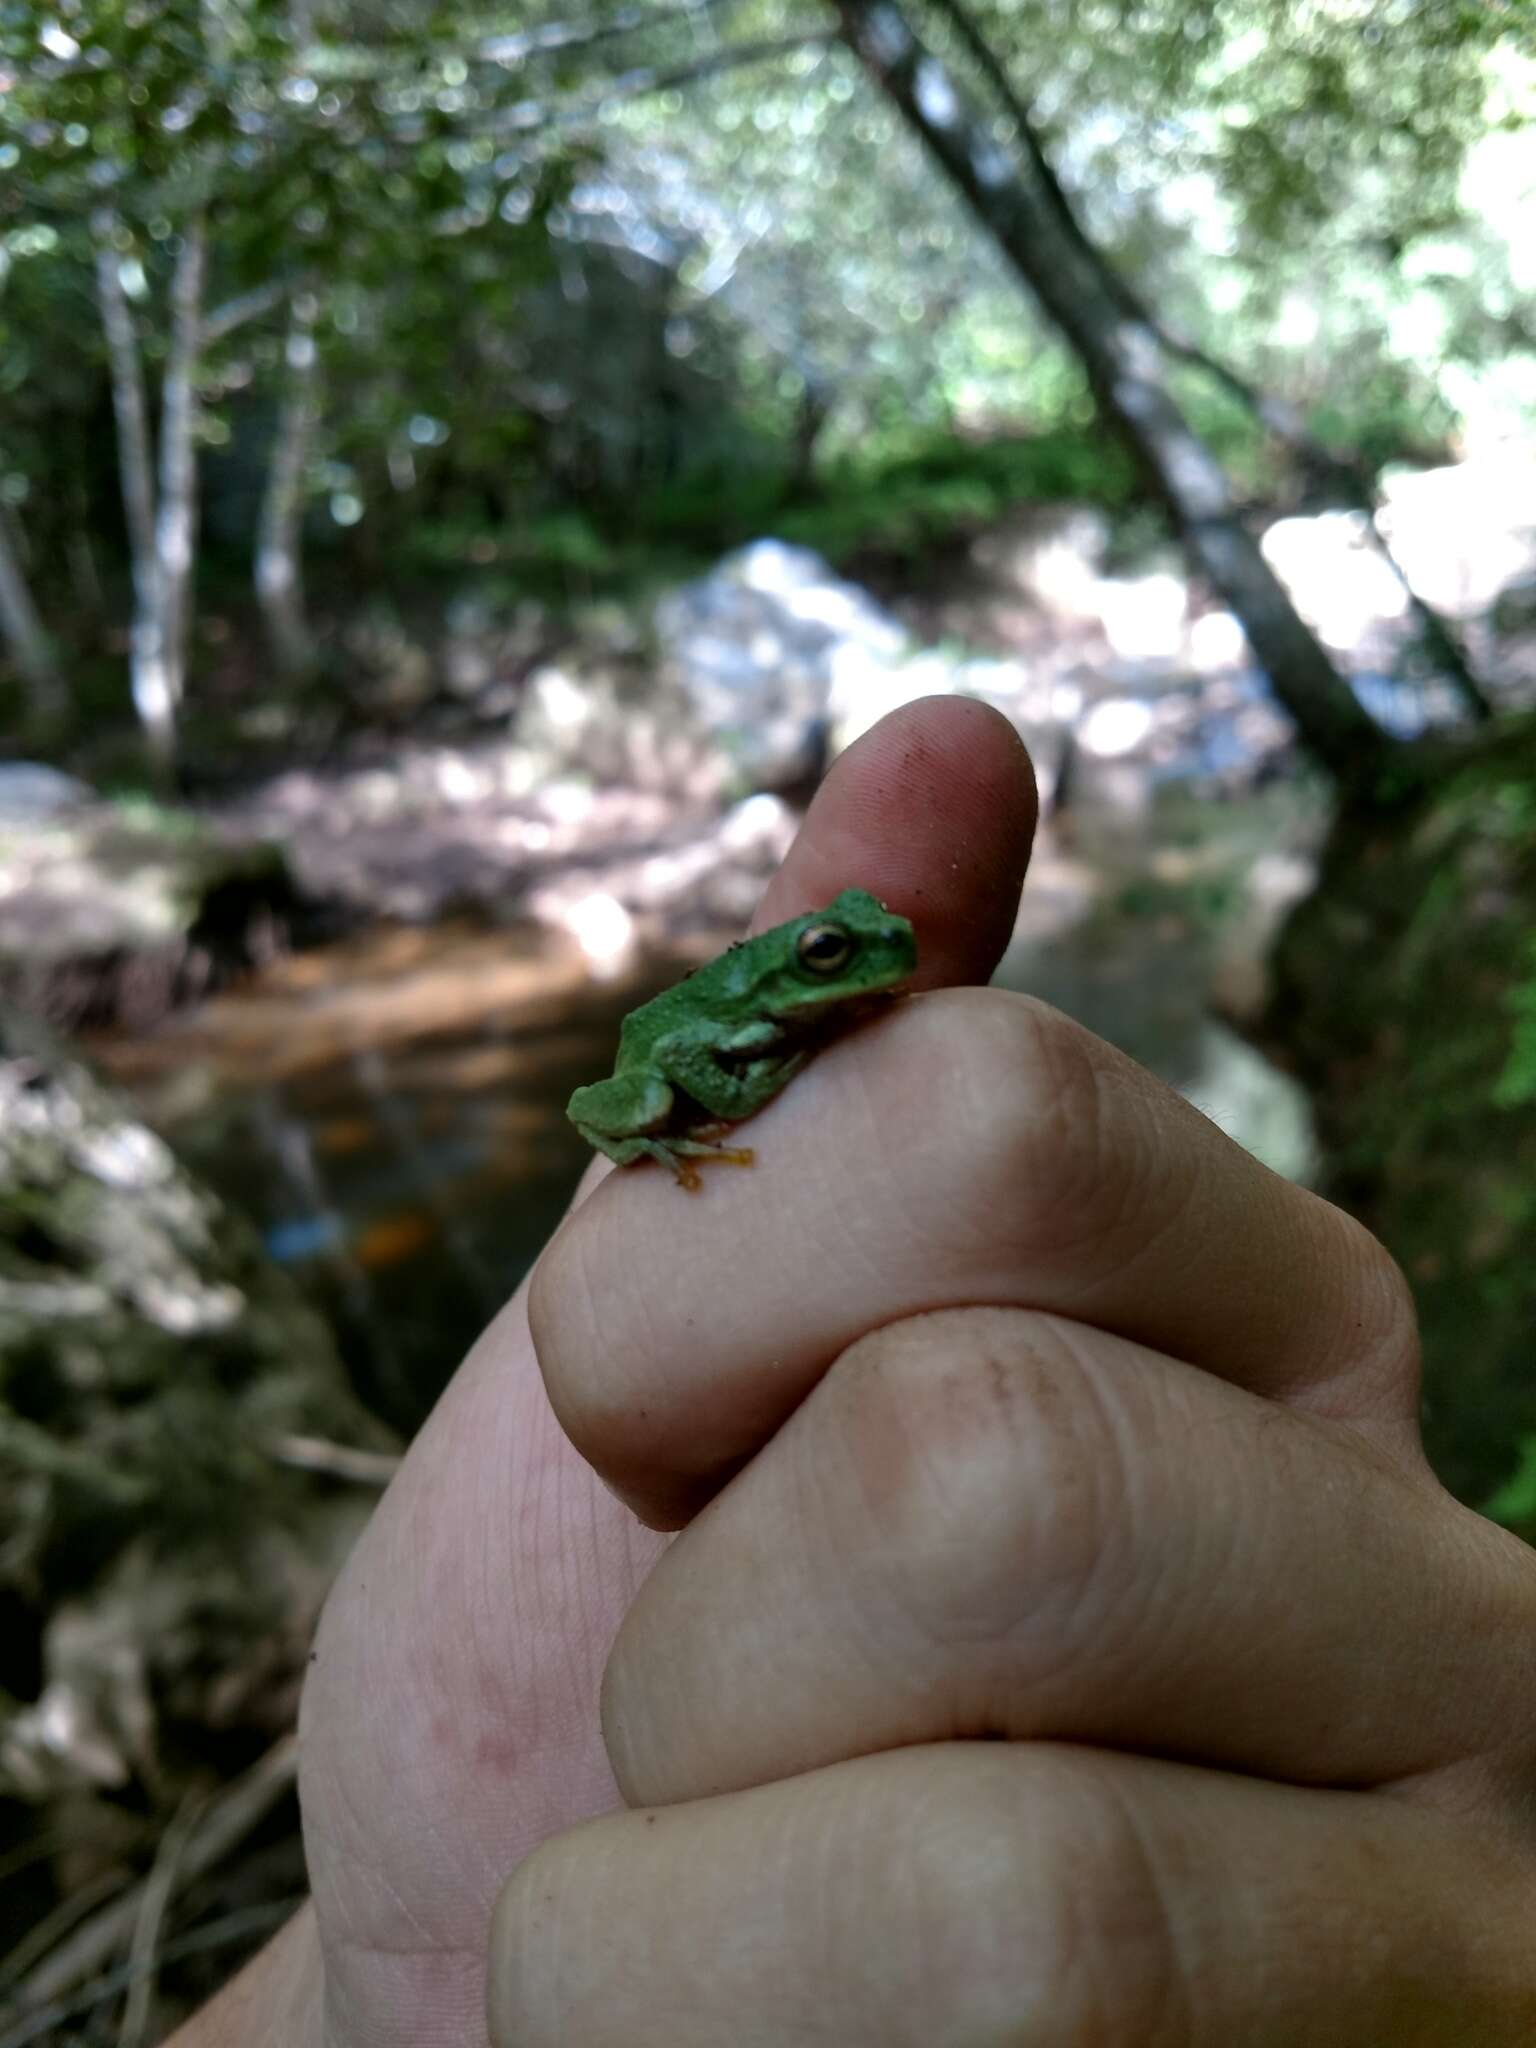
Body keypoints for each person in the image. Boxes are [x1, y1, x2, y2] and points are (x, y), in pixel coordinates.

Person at [173, 698, 1536, 2046]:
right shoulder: (742, 1022)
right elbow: (681, 1061)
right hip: (658, 1083)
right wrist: (385, 1999)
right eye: (835, 952)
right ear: (791, 963)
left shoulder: (836, 989)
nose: (867, 965)